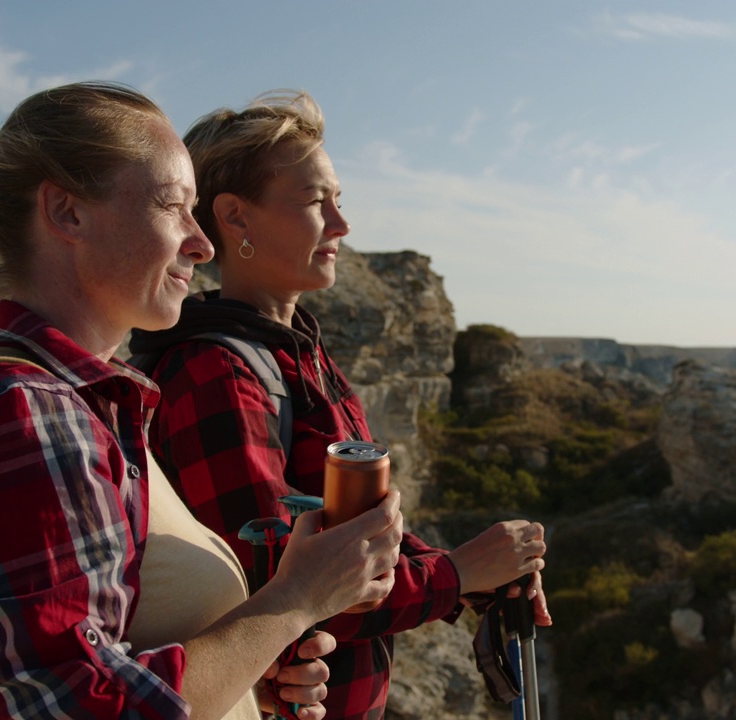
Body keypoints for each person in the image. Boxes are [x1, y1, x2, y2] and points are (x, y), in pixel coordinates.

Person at [0, 81, 405, 720]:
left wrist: (244, 670)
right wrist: (297, 598)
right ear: (66, 212)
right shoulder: (23, 415)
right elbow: (78, 709)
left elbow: (114, 651)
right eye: (172, 207)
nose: (202, 242)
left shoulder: (89, 402)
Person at [127, 90, 551, 719]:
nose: (342, 225)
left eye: (338, 201)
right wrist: (455, 575)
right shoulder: (219, 375)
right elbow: (275, 593)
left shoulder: (299, 354)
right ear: (236, 218)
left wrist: (474, 576)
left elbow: (356, 534)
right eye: (314, 202)